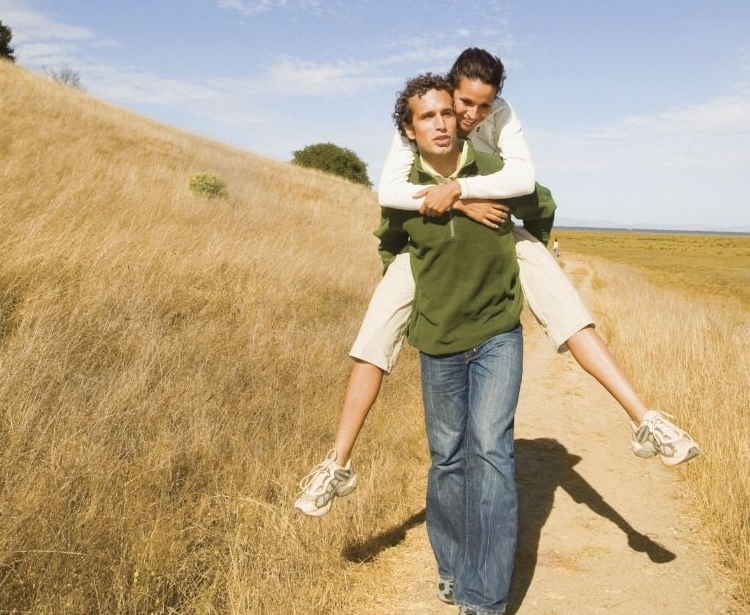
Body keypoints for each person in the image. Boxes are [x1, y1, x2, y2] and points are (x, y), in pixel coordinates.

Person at [295, 49, 697, 520]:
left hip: (500, 229)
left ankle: (645, 420)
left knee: (566, 309)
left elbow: (524, 177)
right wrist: (460, 203)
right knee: (376, 335)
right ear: (448, 91)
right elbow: (390, 192)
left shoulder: (501, 117)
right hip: (427, 241)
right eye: (463, 103)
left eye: (481, 106)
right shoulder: (424, 114)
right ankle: (337, 464)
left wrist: (463, 189)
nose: (468, 116)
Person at [385, 73, 538, 614]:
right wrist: (452, 203)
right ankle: (451, 570)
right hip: (439, 343)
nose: (443, 123)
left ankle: (484, 597)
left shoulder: (492, 167)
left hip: (498, 335)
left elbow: (535, 195)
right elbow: (389, 245)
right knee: (447, 460)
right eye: (427, 117)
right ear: (410, 130)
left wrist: (470, 193)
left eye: (447, 112)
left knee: (492, 453)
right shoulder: (403, 190)